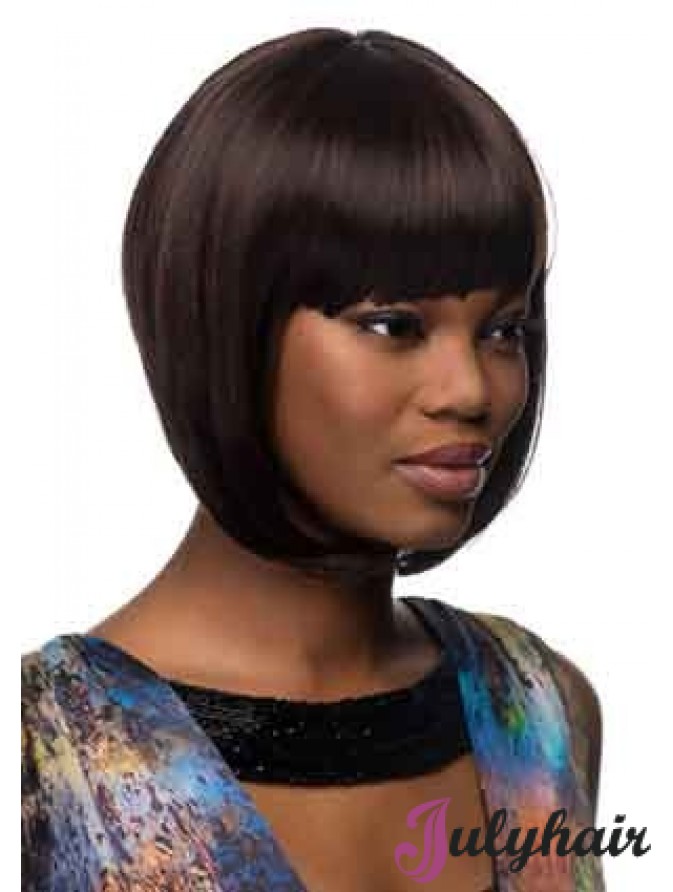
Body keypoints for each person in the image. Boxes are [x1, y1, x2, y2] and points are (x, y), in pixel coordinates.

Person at [21, 27, 605, 891]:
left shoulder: (543, 710)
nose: (470, 389)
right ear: (225, 321)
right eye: (394, 325)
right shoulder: (38, 756)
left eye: (502, 330)